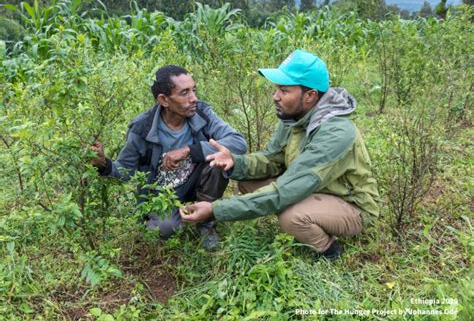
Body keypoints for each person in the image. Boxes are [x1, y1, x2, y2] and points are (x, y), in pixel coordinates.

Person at [179, 50, 380, 260]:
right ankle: (309, 215)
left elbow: (286, 190)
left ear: (310, 95)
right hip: (315, 188)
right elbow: (272, 159)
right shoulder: (295, 117)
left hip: (350, 204)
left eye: (284, 90)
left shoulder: (336, 132)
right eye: (276, 89)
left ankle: (328, 250)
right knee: (249, 183)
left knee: (292, 217)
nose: (275, 96)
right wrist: (235, 162)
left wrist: (215, 210)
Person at [91, 65, 247, 249]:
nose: (193, 98)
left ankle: (205, 223)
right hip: (162, 195)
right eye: (184, 93)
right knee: (165, 230)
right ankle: (171, 216)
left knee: (220, 161)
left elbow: (238, 143)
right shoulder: (142, 128)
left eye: (193, 90)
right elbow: (125, 171)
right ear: (164, 100)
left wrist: (189, 149)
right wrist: (103, 165)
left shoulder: (202, 113)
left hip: (196, 182)